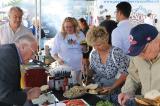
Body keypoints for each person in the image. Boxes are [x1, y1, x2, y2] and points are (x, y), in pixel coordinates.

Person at [118, 24, 160, 106]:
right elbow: (133, 76)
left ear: (158, 42)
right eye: (137, 51)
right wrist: (127, 92)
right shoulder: (137, 57)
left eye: (143, 50)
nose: (140, 55)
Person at [86, 26, 129, 105]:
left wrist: (112, 87)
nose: (96, 48)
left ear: (106, 40)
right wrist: (87, 71)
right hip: (99, 93)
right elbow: (92, 71)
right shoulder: (93, 54)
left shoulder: (116, 52)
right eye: (93, 45)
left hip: (116, 93)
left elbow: (125, 73)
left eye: (98, 45)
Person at [0, 34, 41, 106]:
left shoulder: (11, 52)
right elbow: (4, 94)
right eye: (33, 52)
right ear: (23, 47)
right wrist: (28, 95)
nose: (33, 57)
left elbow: (8, 85)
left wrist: (24, 91)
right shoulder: (8, 56)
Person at [51, 17, 85, 85]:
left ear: (75, 26)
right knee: (65, 86)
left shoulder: (80, 34)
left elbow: (85, 50)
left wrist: (85, 47)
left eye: (71, 27)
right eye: (66, 27)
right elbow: (53, 52)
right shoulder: (59, 35)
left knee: (77, 87)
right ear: (63, 27)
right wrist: (58, 59)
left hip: (78, 67)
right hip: (65, 68)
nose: (68, 29)